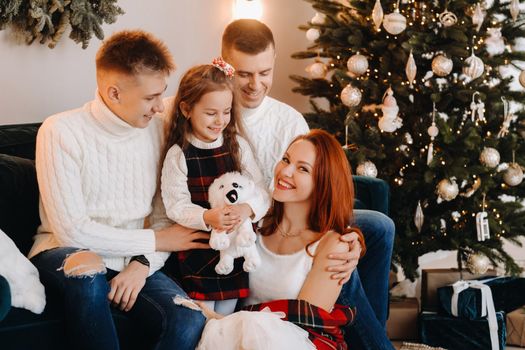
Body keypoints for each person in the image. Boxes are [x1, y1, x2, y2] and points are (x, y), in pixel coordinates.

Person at [220, 19, 395, 349]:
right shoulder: (212, 112)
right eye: (244, 74)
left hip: (289, 210)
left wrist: (345, 237)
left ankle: (375, 332)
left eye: (264, 72)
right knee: (359, 244)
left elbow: (310, 179)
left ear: (273, 61)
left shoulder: (287, 120)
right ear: (225, 64)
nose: (255, 84)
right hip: (251, 220)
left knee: (376, 228)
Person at [28, 30, 207, 350]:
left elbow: (163, 216)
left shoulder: (160, 127)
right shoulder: (60, 131)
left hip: (133, 256)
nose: (159, 107)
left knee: (189, 319)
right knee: (87, 272)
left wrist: (143, 263)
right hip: (66, 251)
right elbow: (72, 230)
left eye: (161, 93)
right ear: (113, 93)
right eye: (151, 98)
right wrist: (154, 240)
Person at [197, 129, 364, 350]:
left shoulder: (334, 245)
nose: (285, 171)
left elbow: (304, 328)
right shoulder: (254, 223)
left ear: (323, 182)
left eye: (302, 169)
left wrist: (224, 319)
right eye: (286, 160)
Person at [159, 60, 269, 315]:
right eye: (211, 113)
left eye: (226, 111)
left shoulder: (237, 145)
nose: (220, 120)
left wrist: (247, 208)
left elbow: (262, 191)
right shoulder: (179, 154)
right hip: (199, 253)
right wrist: (207, 216)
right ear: (186, 109)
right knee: (204, 319)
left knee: (227, 316)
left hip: (237, 253)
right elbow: (176, 205)